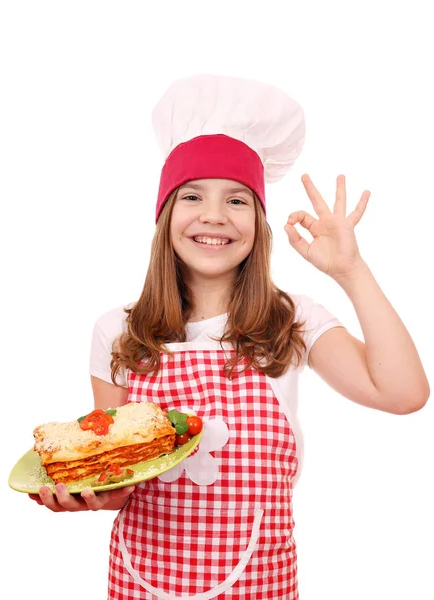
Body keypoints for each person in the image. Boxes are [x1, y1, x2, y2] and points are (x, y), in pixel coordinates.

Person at [30, 74, 430, 600]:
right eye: (193, 195)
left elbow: (403, 393)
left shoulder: (293, 321)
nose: (214, 216)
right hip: (141, 580)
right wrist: (90, 495)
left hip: (259, 581)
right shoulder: (118, 333)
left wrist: (351, 271)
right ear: (166, 214)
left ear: (259, 222)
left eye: (237, 200)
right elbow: (120, 484)